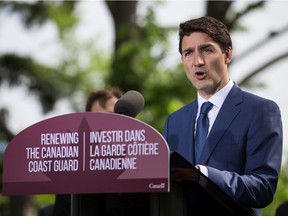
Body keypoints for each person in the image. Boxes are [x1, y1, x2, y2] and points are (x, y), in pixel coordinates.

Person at [162, 16, 283, 215]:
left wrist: (204, 175)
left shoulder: (261, 111)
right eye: (188, 53)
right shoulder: (174, 121)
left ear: (227, 55)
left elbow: (263, 187)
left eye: (207, 50)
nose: (197, 62)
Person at [52, 87, 123, 216]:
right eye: (99, 118)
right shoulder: (70, 175)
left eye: (116, 116)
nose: (110, 123)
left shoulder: (140, 166)